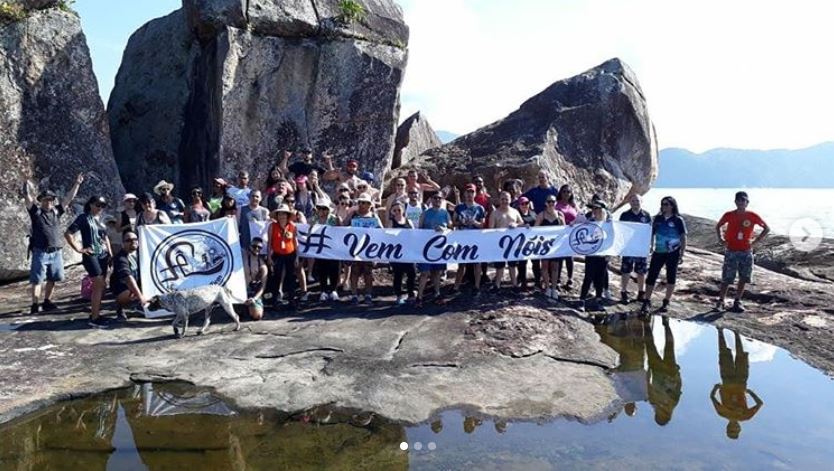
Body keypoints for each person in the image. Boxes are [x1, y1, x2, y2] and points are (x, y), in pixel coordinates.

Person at [23, 172, 83, 314]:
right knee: (37, 280)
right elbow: (27, 198)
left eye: (50, 200)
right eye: (45, 200)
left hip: (56, 251)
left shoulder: (56, 212)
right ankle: (34, 304)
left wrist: (77, 184)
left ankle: (47, 301)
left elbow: (69, 199)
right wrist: (25, 182)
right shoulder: (36, 213)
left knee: (53, 278)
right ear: (41, 201)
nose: (48, 202)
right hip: (40, 251)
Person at [715, 191, 770, 313]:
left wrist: (756, 241)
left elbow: (766, 228)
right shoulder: (729, 215)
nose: (741, 202)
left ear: (747, 202)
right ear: (735, 201)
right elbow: (718, 225)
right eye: (739, 200)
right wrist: (721, 239)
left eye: (743, 200)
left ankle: (737, 301)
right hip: (731, 250)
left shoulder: (752, 216)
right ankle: (721, 301)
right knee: (727, 277)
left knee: (743, 277)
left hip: (745, 250)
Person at [65, 196, 113, 328]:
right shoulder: (83, 218)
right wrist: (78, 249)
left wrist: (110, 253)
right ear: (91, 204)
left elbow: (105, 237)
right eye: (98, 205)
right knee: (98, 283)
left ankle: (96, 313)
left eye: (103, 206)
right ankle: (94, 317)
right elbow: (68, 233)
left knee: (101, 285)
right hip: (90, 254)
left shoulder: (100, 219)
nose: (100, 208)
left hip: (103, 255)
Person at [711, 327, 763, 439]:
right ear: (739, 429)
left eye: (731, 429)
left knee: (724, 354)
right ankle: (736, 333)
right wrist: (750, 393)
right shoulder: (746, 416)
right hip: (741, 382)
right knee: (741, 356)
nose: (734, 427)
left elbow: (712, 398)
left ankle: (720, 331)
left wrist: (715, 388)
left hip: (727, 381)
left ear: (727, 427)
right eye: (736, 430)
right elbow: (760, 404)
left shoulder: (722, 413)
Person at [641, 196, 687, 314]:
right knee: (652, 275)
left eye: (666, 204)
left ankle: (666, 301)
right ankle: (647, 300)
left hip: (673, 252)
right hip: (659, 251)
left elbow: (683, 236)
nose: (664, 206)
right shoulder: (657, 219)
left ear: (672, 205)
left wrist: (682, 253)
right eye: (662, 204)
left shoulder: (678, 220)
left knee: (671, 276)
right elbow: (651, 233)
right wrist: (650, 246)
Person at [416, 192, 452, 306]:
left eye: (439, 198)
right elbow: (419, 229)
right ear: (431, 199)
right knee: (424, 273)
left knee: (437, 273)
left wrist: (444, 228)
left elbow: (451, 226)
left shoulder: (445, 213)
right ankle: (419, 297)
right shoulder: (425, 213)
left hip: (439, 248)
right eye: (435, 198)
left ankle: (437, 294)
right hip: (426, 248)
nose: (437, 200)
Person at [347, 194, 383, 304]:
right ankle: (354, 295)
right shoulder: (353, 215)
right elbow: (343, 225)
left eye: (364, 202)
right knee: (355, 271)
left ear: (369, 204)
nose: (362, 205)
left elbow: (381, 230)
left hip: (369, 248)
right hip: (355, 247)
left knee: (368, 271)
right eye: (360, 202)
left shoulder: (373, 216)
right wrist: (349, 215)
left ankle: (368, 295)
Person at [646, 316, 682, 426]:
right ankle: (666, 324)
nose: (661, 413)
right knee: (669, 346)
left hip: (657, 370)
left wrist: (647, 372)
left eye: (660, 415)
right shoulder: (672, 403)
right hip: (670, 372)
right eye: (663, 415)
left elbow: (648, 385)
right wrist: (677, 374)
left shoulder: (654, 402)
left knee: (650, 345)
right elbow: (679, 387)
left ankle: (647, 324)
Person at [453, 184, 486, 295]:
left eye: (472, 192)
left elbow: (482, 225)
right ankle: (456, 287)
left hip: (475, 238)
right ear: (464, 194)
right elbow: (453, 222)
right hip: (462, 238)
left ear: (475, 193)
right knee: (461, 264)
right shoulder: (459, 207)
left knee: (477, 263)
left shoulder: (480, 208)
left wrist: (475, 223)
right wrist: (461, 222)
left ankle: (476, 286)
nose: (469, 194)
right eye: (468, 192)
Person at [619, 194, 652, 304]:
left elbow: (650, 232)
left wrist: (650, 245)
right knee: (626, 270)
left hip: (641, 247)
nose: (635, 203)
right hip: (628, 247)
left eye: (637, 201)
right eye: (633, 201)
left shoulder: (647, 215)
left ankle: (641, 292)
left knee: (641, 271)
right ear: (629, 202)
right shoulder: (624, 215)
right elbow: (621, 231)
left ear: (641, 201)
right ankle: (623, 291)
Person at [488, 191, 523, 292]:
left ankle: (515, 285)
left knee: (512, 265)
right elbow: (491, 229)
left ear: (510, 200)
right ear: (499, 200)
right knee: (500, 266)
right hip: (499, 244)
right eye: (502, 199)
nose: (504, 201)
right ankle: (497, 285)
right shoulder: (494, 213)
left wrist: (516, 225)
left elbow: (521, 223)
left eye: (506, 199)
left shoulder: (515, 211)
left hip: (513, 243)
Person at [579, 200, 610, 310]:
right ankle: (582, 300)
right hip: (591, 254)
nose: (594, 211)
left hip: (602, 256)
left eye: (597, 208)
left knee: (600, 278)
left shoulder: (608, 224)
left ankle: (598, 300)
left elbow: (612, 240)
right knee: (588, 277)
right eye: (593, 208)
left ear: (602, 209)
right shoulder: (589, 222)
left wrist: (609, 254)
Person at [110, 230, 146, 321]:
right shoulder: (120, 258)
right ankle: (120, 306)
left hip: (137, 282)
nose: (133, 241)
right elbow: (128, 278)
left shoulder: (141, 253)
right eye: (129, 240)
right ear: (123, 243)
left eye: (135, 239)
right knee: (131, 292)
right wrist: (140, 297)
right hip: (122, 288)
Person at [536, 195, 566, 300]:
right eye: (549, 201)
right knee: (544, 266)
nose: (551, 204)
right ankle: (547, 288)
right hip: (544, 245)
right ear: (546, 203)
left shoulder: (560, 215)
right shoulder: (541, 215)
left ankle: (554, 288)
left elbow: (565, 229)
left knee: (555, 267)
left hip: (556, 245)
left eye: (553, 201)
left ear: (556, 203)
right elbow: (535, 229)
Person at [311, 199, 341, 301]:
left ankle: (333, 290)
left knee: (334, 269)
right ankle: (323, 290)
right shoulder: (314, 219)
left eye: (324, 209)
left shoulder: (334, 219)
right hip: (320, 249)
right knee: (322, 269)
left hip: (332, 248)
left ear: (328, 210)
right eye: (319, 208)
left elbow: (340, 231)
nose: (322, 211)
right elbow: (308, 231)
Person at [268, 205, 298, 308]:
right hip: (277, 254)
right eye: (280, 213)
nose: (282, 216)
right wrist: (269, 256)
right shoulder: (272, 226)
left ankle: (291, 299)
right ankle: (275, 299)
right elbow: (269, 243)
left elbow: (295, 242)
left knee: (291, 277)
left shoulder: (292, 226)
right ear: (277, 215)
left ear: (287, 215)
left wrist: (297, 257)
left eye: (284, 213)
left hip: (290, 254)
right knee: (277, 276)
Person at [388, 202, 417, 304]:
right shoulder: (391, 222)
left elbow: (415, 234)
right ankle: (398, 296)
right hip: (396, 253)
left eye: (399, 210)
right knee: (398, 275)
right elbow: (388, 237)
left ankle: (411, 294)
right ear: (392, 212)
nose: (397, 212)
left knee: (412, 273)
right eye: (394, 210)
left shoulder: (409, 221)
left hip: (408, 252)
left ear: (403, 210)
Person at [554, 184, 578, 289]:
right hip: (560, 234)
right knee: (559, 257)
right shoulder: (556, 205)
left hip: (571, 235)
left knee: (570, 257)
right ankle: (557, 279)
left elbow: (579, 217)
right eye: (564, 191)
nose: (566, 194)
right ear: (560, 193)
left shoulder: (573, 205)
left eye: (568, 192)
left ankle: (570, 278)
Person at [516, 196, 541, 292]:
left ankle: (537, 282)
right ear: (519, 205)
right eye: (522, 204)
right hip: (521, 242)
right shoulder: (517, 214)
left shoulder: (533, 213)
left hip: (533, 241)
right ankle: (523, 282)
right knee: (522, 263)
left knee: (536, 262)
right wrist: (522, 225)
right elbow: (513, 225)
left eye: (526, 203)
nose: (525, 205)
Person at [243, 236, 269, 320]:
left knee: (257, 316)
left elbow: (263, 286)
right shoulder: (242, 257)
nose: (257, 249)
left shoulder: (262, 265)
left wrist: (255, 298)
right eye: (254, 246)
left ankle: (251, 306)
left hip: (253, 292)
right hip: (240, 291)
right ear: (250, 246)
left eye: (259, 247)